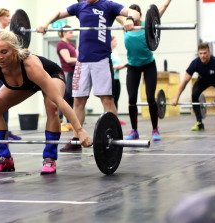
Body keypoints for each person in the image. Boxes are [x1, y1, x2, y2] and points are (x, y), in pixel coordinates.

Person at [0, 30, 92, 175]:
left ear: (15, 51)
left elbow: (59, 101)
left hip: (51, 75)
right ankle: (4, 158)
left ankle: (49, 158)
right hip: (26, 83)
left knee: (52, 106)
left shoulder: (31, 66)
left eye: (4, 52)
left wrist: (79, 131)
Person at [37, 0, 140, 152]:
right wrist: (45, 23)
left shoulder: (108, 5)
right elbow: (58, 13)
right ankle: (76, 139)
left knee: (107, 100)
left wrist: (130, 19)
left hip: (102, 60)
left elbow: (134, 12)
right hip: (82, 62)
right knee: (78, 100)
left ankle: (114, 137)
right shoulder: (80, 6)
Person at [115, 1, 171, 141]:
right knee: (132, 99)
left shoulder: (148, 24)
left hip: (148, 65)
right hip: (133, 66)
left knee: (150, 98)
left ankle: (155, 130)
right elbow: (111, 9)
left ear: (139, 15)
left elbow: (160, 9)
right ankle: (134, 131)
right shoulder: (125, 24)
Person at [172, 43, 215, 131]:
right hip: (203, 81)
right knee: (194, 94)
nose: (202, 56)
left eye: (204, 53)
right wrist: (176, 97)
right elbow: (185, 81)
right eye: (200, 53)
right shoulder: (195, 63)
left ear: (209, 52)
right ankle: (199, 122)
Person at [0, 8, 21, 140]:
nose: (9, 18)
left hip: (8, 69)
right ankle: (2, 132)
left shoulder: (7, 33)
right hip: (0, 71)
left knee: (6, 103)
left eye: (9, 16)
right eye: (7, 16)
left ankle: (6, 130)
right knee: (0, 103)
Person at [56, 25, 77, 132]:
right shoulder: (61, 44)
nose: (72, 34)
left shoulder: (71, 44)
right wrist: (80, 59)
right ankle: (59, 121)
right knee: (65, 95)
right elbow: (68, 59)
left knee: (71, 96)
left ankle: (69, 121)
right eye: (70, 32)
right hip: (67, 72)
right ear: (64, 33)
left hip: (74, 72)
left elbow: (78, 56)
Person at [110, 36, 126, 125]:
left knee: (116, 99)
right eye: (115, 41)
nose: (116, 42)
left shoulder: (115, 52)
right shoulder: (108, 53)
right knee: (111, 100)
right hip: (111, 79)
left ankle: (116, 117)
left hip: (117, 79)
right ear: (110, 42)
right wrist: (117, 67)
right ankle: (112, 118)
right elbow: (107, 66)